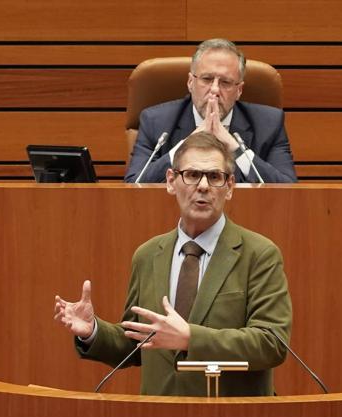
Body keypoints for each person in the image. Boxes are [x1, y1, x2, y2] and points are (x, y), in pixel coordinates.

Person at [55, 132, 292, 396]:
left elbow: (272, 343)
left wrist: (191, 337)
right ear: (170, 182)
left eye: (214, 177)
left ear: (230, 186)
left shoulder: (259, 254)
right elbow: (138, 343)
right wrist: (93, 331)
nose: (203, 186)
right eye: (191, 175)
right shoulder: (147, 255)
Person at [124, 38, 298, 184]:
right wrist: (185, 145)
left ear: (239, 90)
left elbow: (288, 190)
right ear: (190, 82)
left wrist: (235, 149)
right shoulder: (156, 121)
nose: (214, 89)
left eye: (225, 82)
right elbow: (134, 186)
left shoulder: (269, 124)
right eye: (207, 79)